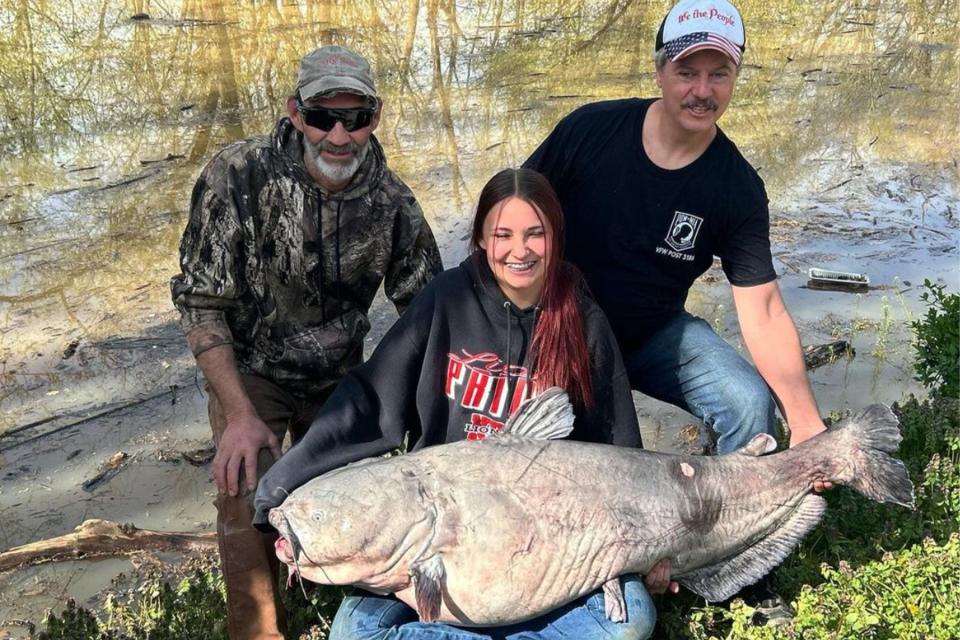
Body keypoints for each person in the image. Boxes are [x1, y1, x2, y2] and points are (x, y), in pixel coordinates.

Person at [254, 168, 670, 639]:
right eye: (503, 234)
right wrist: (279, 487)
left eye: (536, 234)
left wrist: (648, 544)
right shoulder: (445, 300)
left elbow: (620, 453)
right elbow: (369, 403)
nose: (520, 250)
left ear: (555, 239)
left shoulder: (583, 320)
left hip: (551, 551)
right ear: (479, 240)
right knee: (354, 633)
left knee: (631, 622)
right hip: (443, 539)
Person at [523, 0, 829, 622]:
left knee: (746, 402)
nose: (702, 90)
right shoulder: (590, 131)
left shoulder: (735, 186)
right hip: (564, 332)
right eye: (688, 72)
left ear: (736, 77)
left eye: (719, 74)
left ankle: (731, 565)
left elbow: (763, 307)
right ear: (660, 71)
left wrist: (807, 422)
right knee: (566, 460)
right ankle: (570, 569)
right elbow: (513, 220)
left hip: (653, 331)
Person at [170, 45, 443, 640]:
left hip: (343, 377)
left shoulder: (394, 204)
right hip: (252, 373)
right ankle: (259, 629)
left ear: (376, 115)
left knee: (362, 498)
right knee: (247, 489)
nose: (339, 135)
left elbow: (427, 314)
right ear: (297, 113)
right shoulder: (236, 177)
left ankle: (353, 610)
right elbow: (200, 301)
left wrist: (433, 421)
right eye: (324, 117)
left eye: (357, 117)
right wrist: (238, 414)